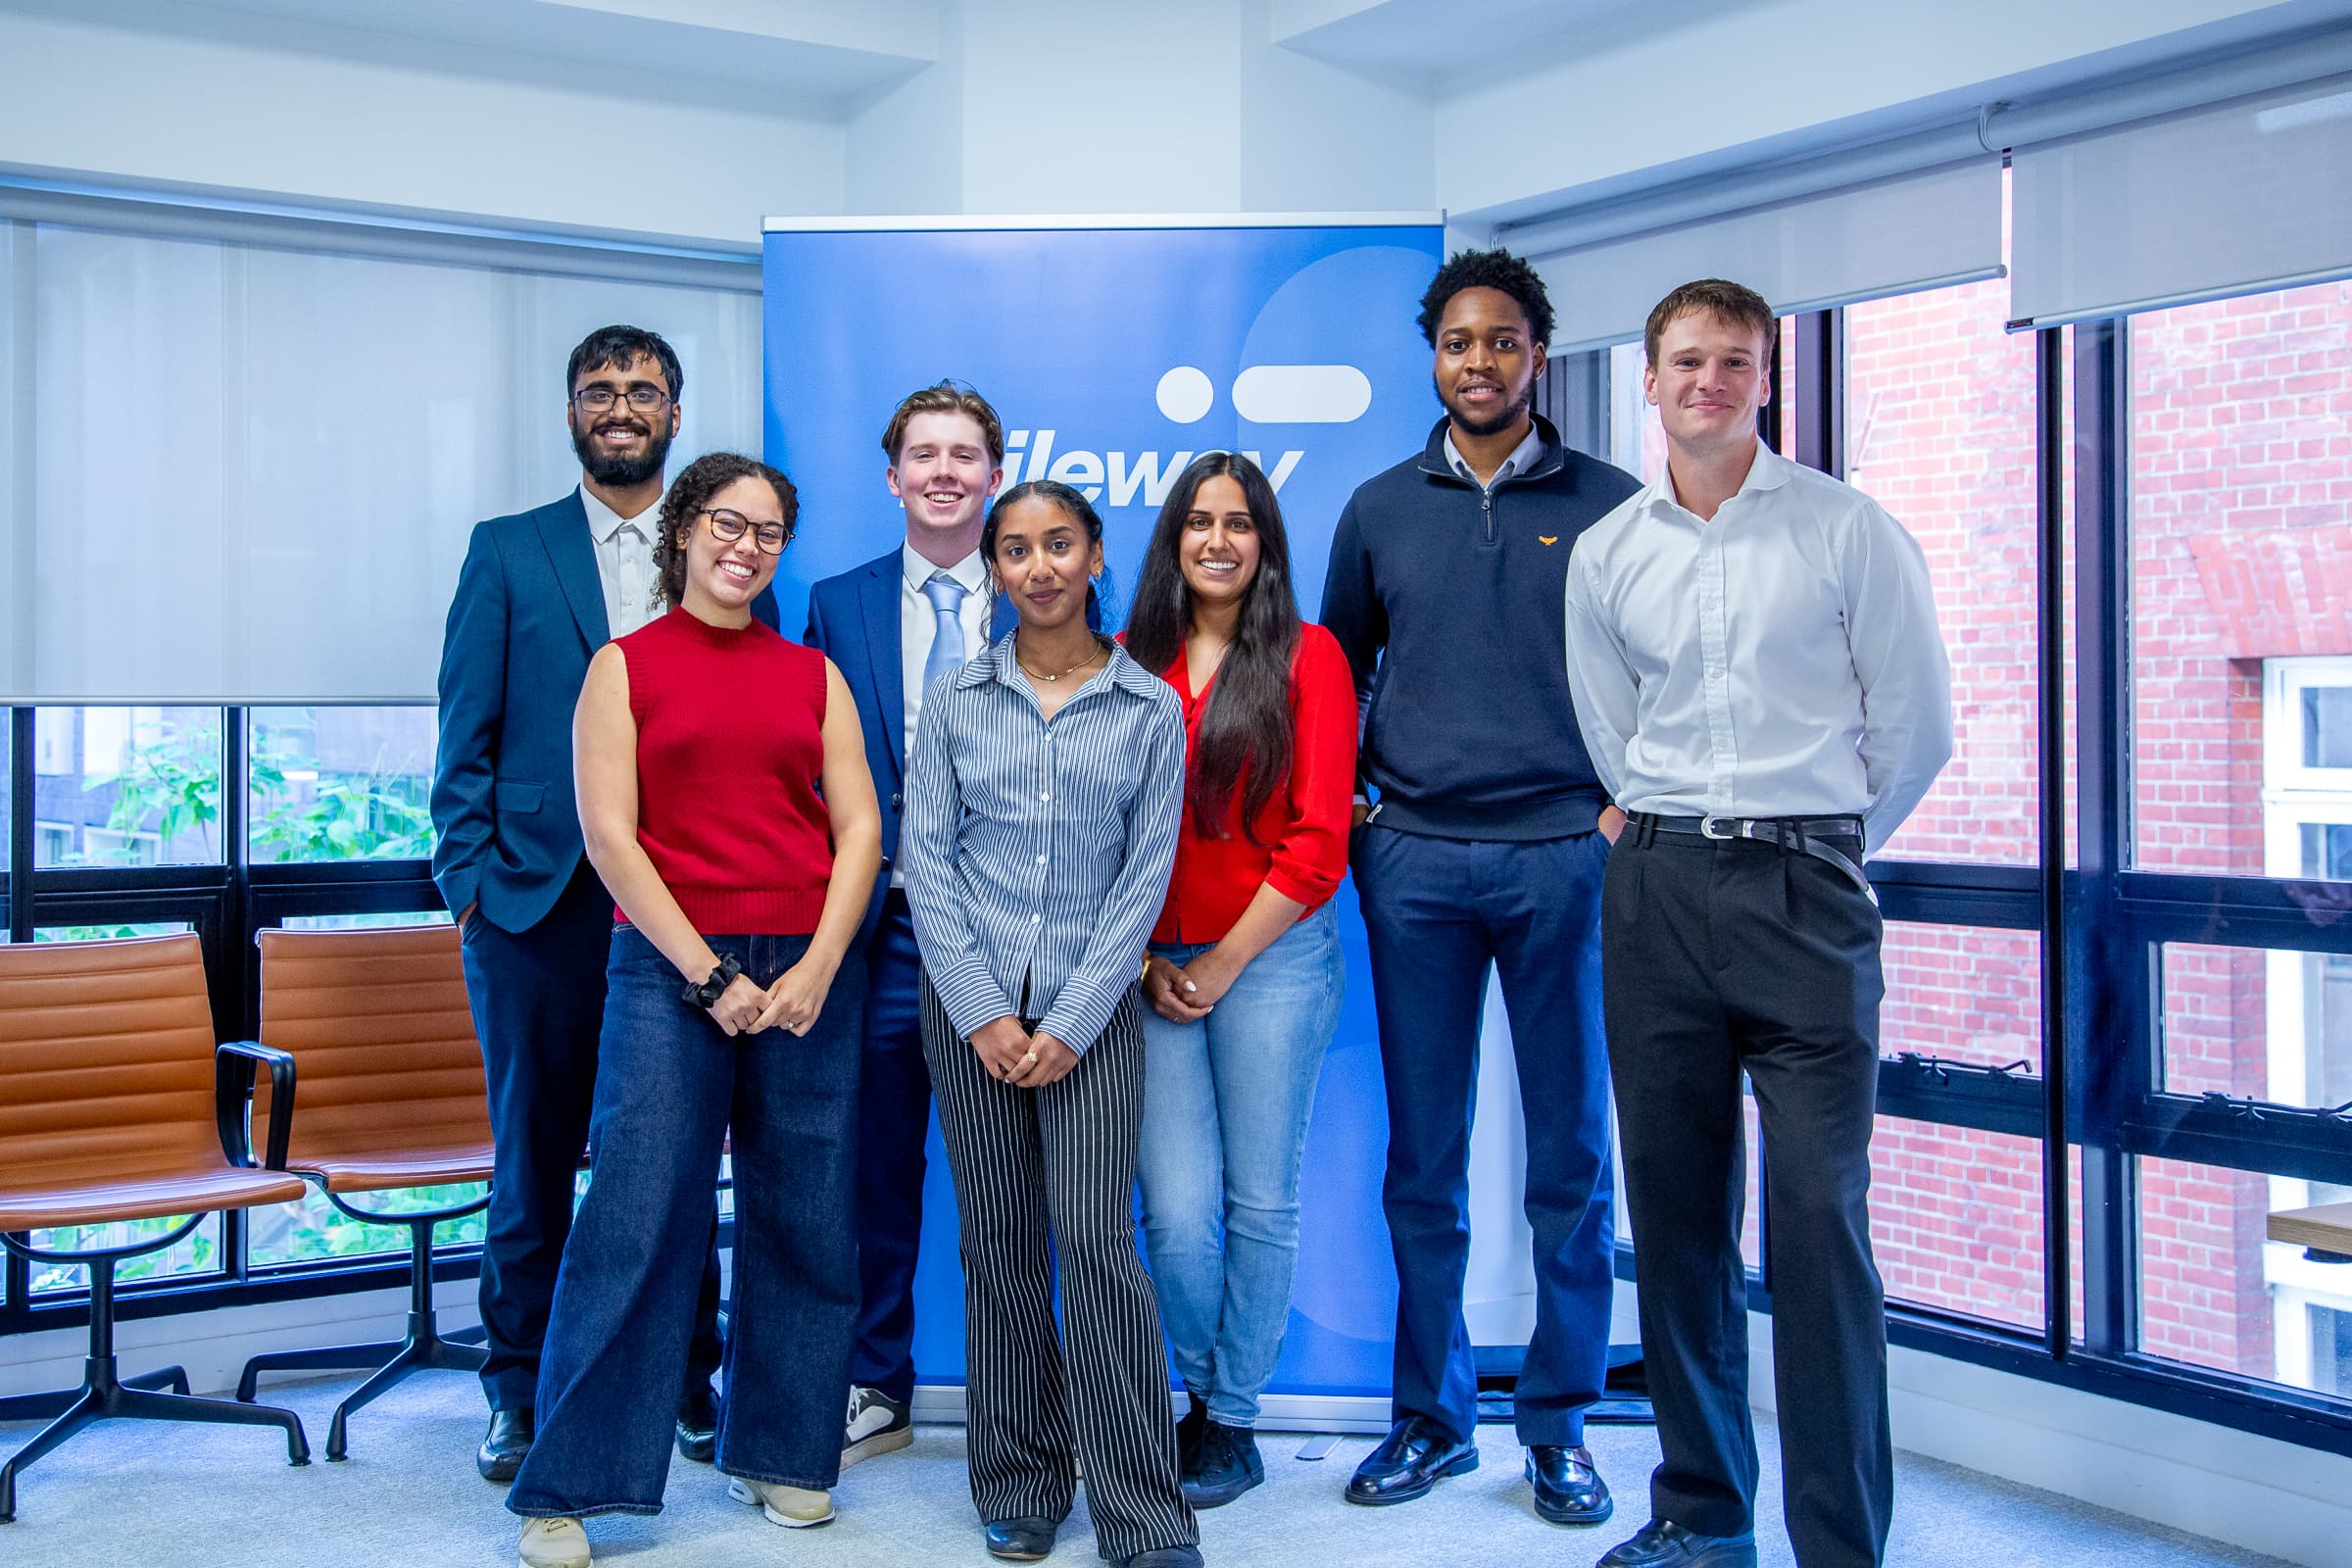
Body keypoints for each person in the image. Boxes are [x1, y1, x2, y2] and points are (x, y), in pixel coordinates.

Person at [1563, 278, 1951, 1568]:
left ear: (1767, 379)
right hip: (1659, 895)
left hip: (1806, 897)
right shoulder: (1614, 555)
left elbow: (1912, 733)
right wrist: (1683, 843)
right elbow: (1615, 740)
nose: (1709, 383)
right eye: (1687, 361)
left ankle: (1839, 1544)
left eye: (1734, 362)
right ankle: (1701, 1511)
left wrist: (1817, 846)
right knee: (1674, 1223)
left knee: (1818, 1225)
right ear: (1651, 378)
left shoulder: (1848, 533)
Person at [507, 451, 882, 1568]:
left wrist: (818, 962)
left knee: (807, 1212)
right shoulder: (621, 669)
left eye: (769, 532)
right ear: (684, 530)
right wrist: (708, 975)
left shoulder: (812, 674)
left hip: (808, 962)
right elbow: (611, 838)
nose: (746, 546)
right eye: (729, 522)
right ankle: (571, 1483)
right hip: (670, 964)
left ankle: (785, 1454)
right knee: (635, 1213)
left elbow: (859, 828)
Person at [1318, 248, 1640, 1524]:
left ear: (1537, 357)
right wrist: (1358, 822)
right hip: (1417, 869)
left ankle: (1560, 1427)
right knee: (1426, 1162)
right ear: (1433, 357)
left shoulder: (1617, 504)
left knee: (1570, 1157)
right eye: (1458, 342)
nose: (1479, 362)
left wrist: (1620, 815)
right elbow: (1333, 678)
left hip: (1569, 856)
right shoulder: (1380, 506)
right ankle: (1433, 1421)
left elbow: (1662, 672)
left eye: (1502, 341)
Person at [432, 326, 760, 1482]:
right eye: (599, 391)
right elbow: (462, 736)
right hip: (537, 905)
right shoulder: (509, 551)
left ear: (677, 413)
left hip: (688, 902)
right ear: (571, 411)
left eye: (644, 391)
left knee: (673, 1156)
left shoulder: (722, 553)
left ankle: (685, 1379)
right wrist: (470, 890)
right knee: (531, 1164)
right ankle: (519, 1391)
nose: (621, 407)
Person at [901, 480, 1200, 1568]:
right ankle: (1021, 1480)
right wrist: (983, 1013)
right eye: (1016, 550)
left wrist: (1071, 1020)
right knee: (999, 1249)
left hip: (1095, 1013)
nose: (1038, 567)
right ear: (994, 568)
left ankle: (1142, 1510)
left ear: (1095, 555)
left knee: (1095, 1242)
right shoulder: (956, 700)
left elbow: (1143, 878)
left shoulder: (1149, 708)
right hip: (969, 1012)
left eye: (1058, 545)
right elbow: (925, 861)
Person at [1123, 453, 1354, 1509]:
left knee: (1259, 1200)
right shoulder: (1126, 660)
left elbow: (1317, 846)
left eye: (1241, 522)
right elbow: (1095, 829)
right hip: (1148, 970)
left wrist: (1220, 960)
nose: (1219, 539)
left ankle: (1231, 1418)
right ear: (1174, 540)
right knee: (1173, 1212)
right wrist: (1137, 958)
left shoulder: (1311, 656)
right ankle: (1205, 1393)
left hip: (1271, 960)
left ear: (1266, 540)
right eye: (1199, 522)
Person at [805, 381, 1010, 1468]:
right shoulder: (837, 604)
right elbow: (808, 772)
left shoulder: (1043, 594)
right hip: (880, 934)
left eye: (963, 455)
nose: (942, 471)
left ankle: (1016, 1397)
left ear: (991, 476)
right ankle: (874, 1382)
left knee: (1009, 1181)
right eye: (922, 454)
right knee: (873, 1171)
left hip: (1009, 937)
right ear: (893, 478)